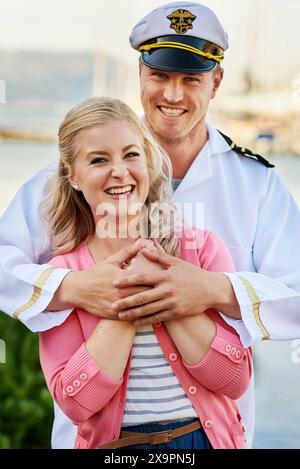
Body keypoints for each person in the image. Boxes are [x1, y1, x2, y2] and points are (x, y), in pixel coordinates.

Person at [0, 1, 299, 448]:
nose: (173, 95)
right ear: (140, 75)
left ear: (216, 82)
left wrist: (214, 289)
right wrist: (73, 289)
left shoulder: (256, 183)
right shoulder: (69, 177)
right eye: (160, 75)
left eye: (191, 80)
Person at [39, 96, 251, 449]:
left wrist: (163, 284)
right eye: (98, 160)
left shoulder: (201, 249)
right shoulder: (63, 276)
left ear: (148, 160)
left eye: (131, 154)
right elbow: (76, 403)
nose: (119, 171)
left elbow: (235, 379)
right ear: (72, 175)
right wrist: (133, 294)